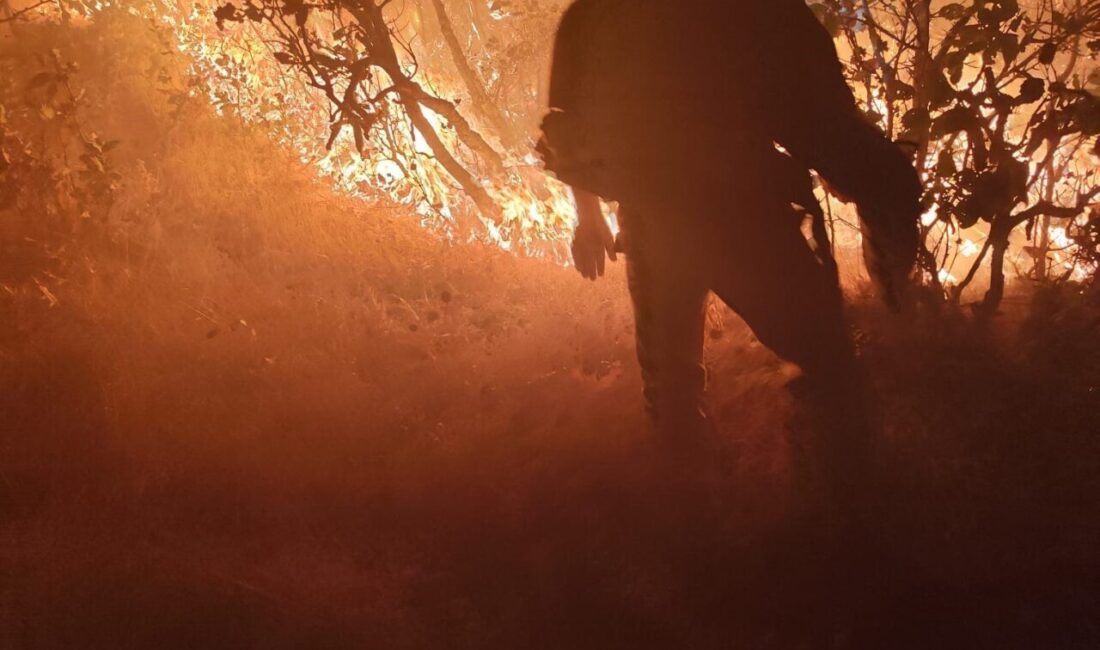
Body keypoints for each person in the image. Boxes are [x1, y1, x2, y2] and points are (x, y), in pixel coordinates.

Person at [538, 0, 921, 454]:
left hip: (659, 223)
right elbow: (817, 116)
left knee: (673, 398)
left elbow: (566, 132)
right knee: (828, 367)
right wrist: (864, 177)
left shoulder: (592, 14)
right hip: (739, 219)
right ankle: (850, 478)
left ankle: (699, 490)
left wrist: (589, 216)